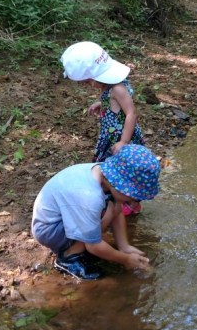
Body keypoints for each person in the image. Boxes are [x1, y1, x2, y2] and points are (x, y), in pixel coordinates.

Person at [31, 144, 161, 280]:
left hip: (62, 217)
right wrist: (126, 259)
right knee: (105, 215)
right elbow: (93, 246)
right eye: (134, 196)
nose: (135, 201)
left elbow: (118, 211)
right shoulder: (90, 196)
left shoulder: (104, 173)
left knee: (112, 208)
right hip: (49, 229)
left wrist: (124, 246)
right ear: (119, 185)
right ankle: (69, 259)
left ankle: (78, 245)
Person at [62, 40, 146, 216]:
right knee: (112, 169)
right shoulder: (111, 87)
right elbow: (116, 104)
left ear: (95, 78)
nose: (89, 86)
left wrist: (124, 141)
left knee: (122, 169)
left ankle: (129, 203)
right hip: (111, 136)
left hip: (120, 138)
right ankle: (113, 198)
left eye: (88, 83)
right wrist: (102, 103)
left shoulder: (118, 88)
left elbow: (131, 113)